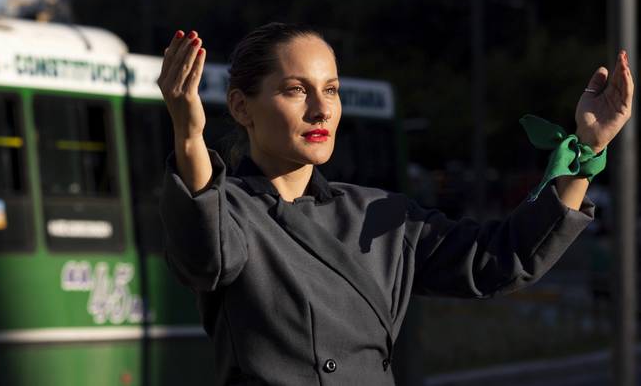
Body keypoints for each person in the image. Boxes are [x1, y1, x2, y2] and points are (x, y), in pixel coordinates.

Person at [158, 23, 633, 385]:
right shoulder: (232, 212)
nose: (321, 110)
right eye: (296, 90)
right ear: (242, 108)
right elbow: (206, 250)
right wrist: (188, 132)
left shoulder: (381, 215)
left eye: (331, 90)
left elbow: (501, 259)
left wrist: (587, 152)